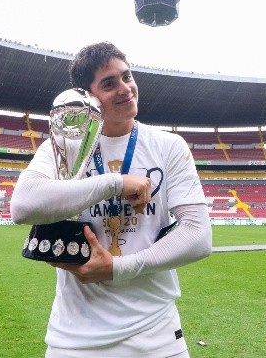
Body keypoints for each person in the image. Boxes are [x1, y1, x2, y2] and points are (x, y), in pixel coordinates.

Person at [11, 41, 212, 358]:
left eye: (127, 76)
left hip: (156, 336)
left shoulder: (168, 146)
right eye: (109, 83)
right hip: (76, 339)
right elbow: (22, 206)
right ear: (89, 97)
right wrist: (114, 183)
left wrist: (119, 268)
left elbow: (199, 235)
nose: (125, 88)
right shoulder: (63, 145)